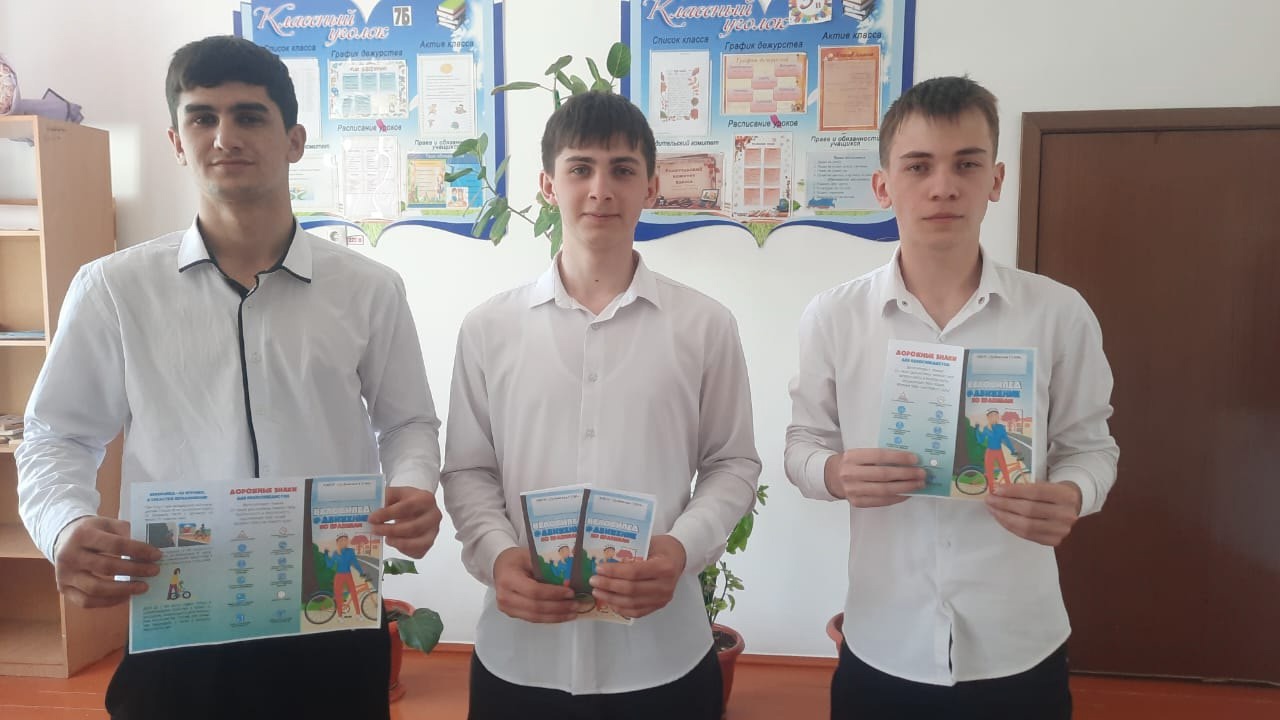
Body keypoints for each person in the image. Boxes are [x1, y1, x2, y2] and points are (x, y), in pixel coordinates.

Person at [15, 35, 442, 720]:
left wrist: (415, 483)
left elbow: (408, 420)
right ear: (176, 142)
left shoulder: (369, 289)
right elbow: (56, 435)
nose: (224, 136)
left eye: (249, 116)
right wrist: (64, 525)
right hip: (181, 614)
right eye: (202, 117)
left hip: (329, 610)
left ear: (294, 141)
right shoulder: (114, 290)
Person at [785, 76, 1119, 719]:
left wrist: (1075, 493)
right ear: (883, 185)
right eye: (918, 166)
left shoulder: (1058, 313)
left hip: (1018, 643)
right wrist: (834, 472)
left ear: (995, 179)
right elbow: (802, 445)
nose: (943, 186)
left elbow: (1091, 448)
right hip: (884, 640)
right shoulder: (833, 317)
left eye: (966, 164)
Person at [441, 90, 760, 720]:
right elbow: (469, 469)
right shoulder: (489, 328)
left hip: (662, 657)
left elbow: (733, 464)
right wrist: (498, 556)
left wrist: (680, 549)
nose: (600, 190)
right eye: (580, 168)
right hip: (520, 658)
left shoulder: (704, 325)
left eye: (622, 170)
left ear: (651, 187)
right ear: (547, 185)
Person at [325, 534, 366, 617]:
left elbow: (355, 563)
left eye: (345, 539)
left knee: (354, 594)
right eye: (342, 540)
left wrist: (361, 572)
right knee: (338, 595)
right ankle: (340, 616)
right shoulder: (335, 553)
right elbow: (329, 565)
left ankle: (358, 614)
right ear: (338, 542)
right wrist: (326, 555)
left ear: (347, 541)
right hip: (338, 576)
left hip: (348, 575)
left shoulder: (350, 551)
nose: (344, 541)